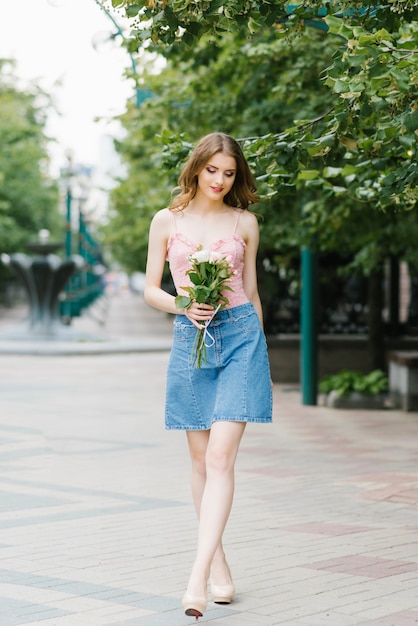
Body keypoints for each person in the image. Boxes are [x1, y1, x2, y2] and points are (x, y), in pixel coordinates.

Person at [144, 132, 273, 620]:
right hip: (191, 336)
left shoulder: (245, 222)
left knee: (221, 456)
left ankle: (195, 581)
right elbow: (150, 288)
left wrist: (260, 356)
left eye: (230, 173)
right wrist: (183, 303)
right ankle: (218, 564)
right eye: (213, 170)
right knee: (200, 461)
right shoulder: (166, 220)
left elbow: (253, 292)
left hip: (240, 336)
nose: (220, 180)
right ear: (197, 167)